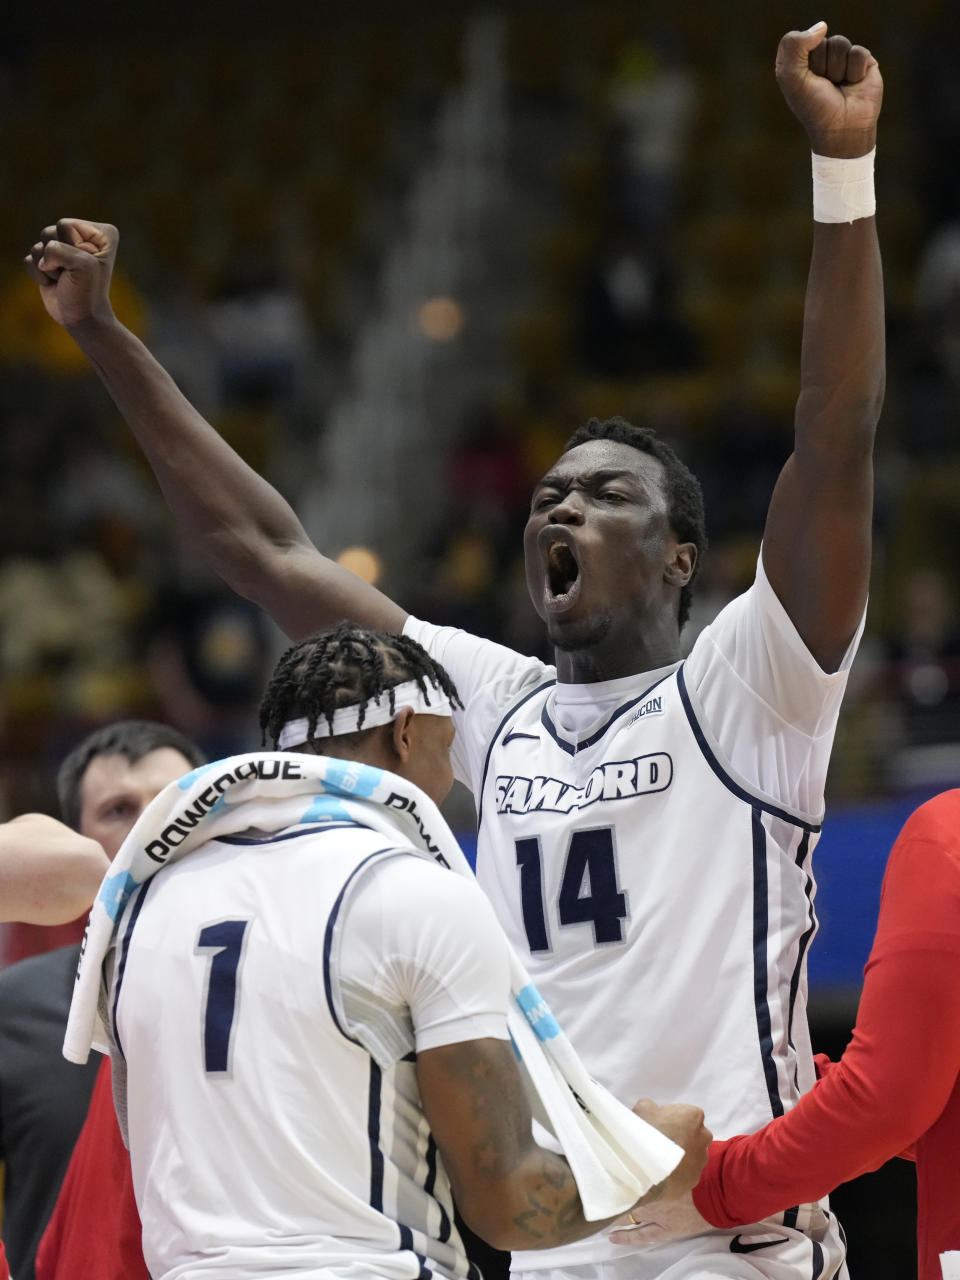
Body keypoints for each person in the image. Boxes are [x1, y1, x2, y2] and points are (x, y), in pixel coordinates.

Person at [25, 22, 884, 1279]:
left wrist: (842, 174)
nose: (558, 506)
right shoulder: (494, 700)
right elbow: (262, 547)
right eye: (547, 493)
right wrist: (104, 334)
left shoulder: (752, 680)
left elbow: (837, 432)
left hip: (725, 1237)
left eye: (602, 493)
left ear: (684, 556)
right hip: (551, 1245)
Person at [83, 622, 710, 1278]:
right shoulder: (407, 890)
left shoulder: (141, 909)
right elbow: (511, 1202)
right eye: (447, 750)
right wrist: (654, 1162)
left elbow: (147, 1150)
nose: (450, 783)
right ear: (407, 732)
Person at [609, 788, 960, 1280]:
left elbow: (888, 1102)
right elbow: (918, 1097)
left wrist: (713, 1187)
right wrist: (794, 1085)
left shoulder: (948, 834)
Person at [0, 720, 203, 1280]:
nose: (150, 830)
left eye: (173, 806)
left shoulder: (274, 983)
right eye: (119, 811)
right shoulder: (12, 1007)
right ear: (77, 836)